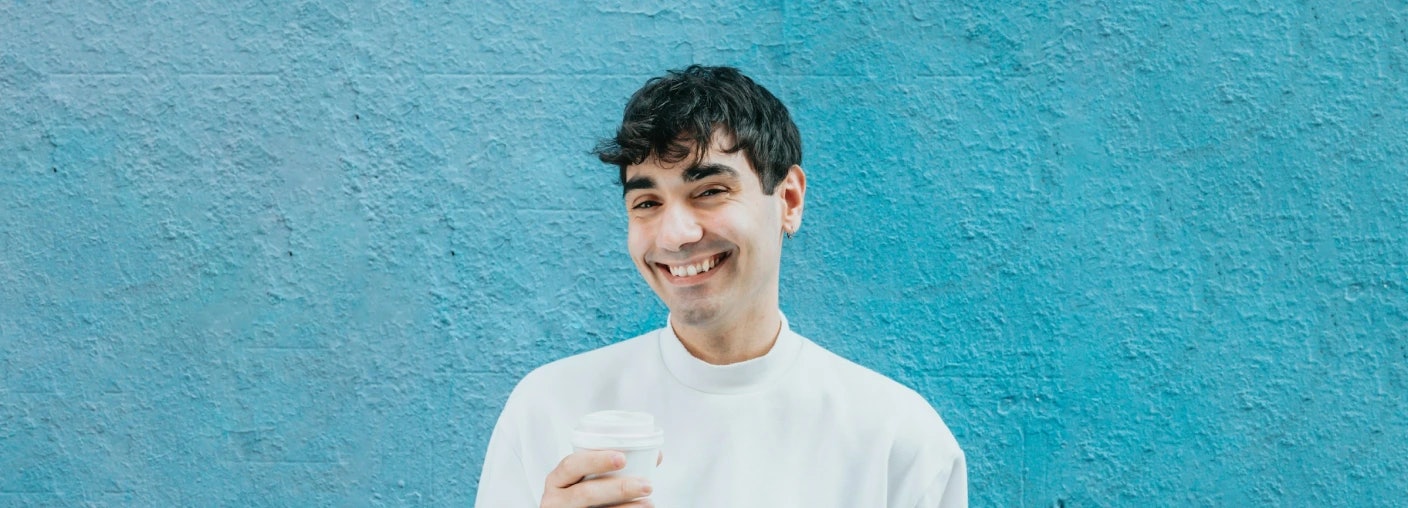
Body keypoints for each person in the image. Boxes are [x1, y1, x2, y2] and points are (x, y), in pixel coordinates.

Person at [475, 65, 966, 507]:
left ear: (788, 199)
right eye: (646, 202)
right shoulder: (548, 410)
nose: (675, 235)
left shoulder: (896, 439)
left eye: (709, 191)